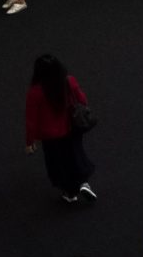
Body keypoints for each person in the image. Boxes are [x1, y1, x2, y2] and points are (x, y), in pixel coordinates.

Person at [23, 54, 96, 206]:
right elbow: (82, 99)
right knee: (75, 154)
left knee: (58, 163)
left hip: (50, 136)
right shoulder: (69, 81)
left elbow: (31, 120)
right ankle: (83, 182)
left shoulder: (35, 92)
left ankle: (70, 193)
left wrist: (30, 141)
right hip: (71, 128)